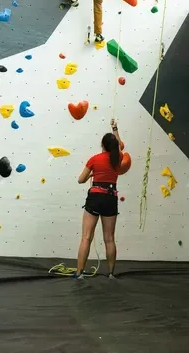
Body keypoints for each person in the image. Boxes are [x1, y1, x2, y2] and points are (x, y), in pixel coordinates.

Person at [75, 119, 131, 279]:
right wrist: (115, 128)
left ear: (102, 145)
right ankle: (111, 274)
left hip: (95, 197)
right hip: (110, 198)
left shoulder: (94, 159)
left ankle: (79, 273)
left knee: (86, 237)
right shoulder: (118, 158)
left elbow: (80, 180)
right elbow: (120, 144)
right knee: (109, 238)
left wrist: (91, 174)